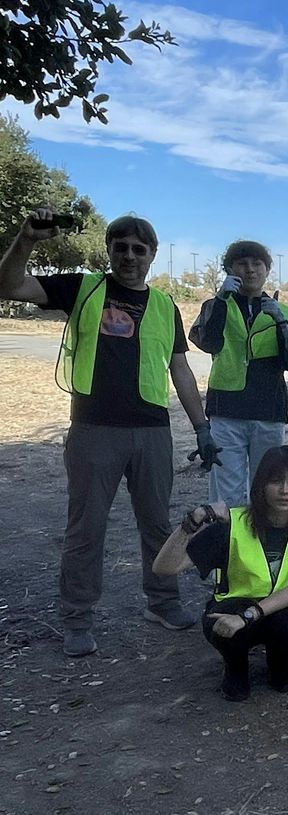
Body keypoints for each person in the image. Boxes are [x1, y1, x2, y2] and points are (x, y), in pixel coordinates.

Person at [0, 209, 219, 657]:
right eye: (121, 247)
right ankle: (77, 618)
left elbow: (179, 366)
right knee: (86, 529)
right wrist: (26, 239)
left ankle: (162, 602)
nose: (130, 256)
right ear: (109, 251)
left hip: (152, 431)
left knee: (159, 526)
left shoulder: (164, 305)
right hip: (93, 430)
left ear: (153, 256)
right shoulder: (81, 287)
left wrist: (202, 428)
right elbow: (7, 285)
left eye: (140, 249)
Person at [152, 446, 288, 701]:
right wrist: (193, 521)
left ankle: (279, 658)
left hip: (280, 608)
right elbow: (164, 567)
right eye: (276, 481)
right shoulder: (233, 524)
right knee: (220, 623)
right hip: (234, 605)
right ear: (261, 485)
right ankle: (235, 665)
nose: (285, 490)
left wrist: (248, 616)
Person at [189, 240, 288, 506]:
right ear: (230, 269)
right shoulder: (215, 305)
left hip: (268, 410)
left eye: (257, 264)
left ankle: (261, 542)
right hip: (226, 410)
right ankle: (227, 540)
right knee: (226, 490)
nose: (250, 270)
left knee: (266, 485)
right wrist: (222, 300)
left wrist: (280, 321)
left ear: (268, 270)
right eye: (242, 264)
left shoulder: (282, 310)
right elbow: (208, 342)